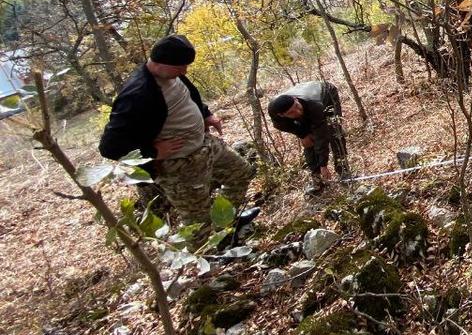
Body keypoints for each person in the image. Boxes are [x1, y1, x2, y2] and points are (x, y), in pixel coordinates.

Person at [98, 34, 255, 238]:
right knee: (197, 221)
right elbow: (109, 146)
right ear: (161, 62)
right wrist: (152, 151)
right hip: (179, 166)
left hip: (205, 146)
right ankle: (210, 260)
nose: (185, 71)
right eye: (180, 66)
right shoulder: (137, 94)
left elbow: (188, 94)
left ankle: (226, 223)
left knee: (241, 173)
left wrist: (206, 114)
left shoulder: (172, 74)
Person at [267, 81, 350, 195]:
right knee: (308, 142)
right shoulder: (275, 112)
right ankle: (317, 180)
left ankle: (343, 171)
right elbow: (282, 126)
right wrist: (302, 134)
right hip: (308, 102)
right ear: (282, 115)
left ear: (295, 99)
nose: (297, 111)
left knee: (334, 132)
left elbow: (322, 136)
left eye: (296, 106)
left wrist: (323, 164)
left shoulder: (315, 105)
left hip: (326, 94)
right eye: (291, 112)